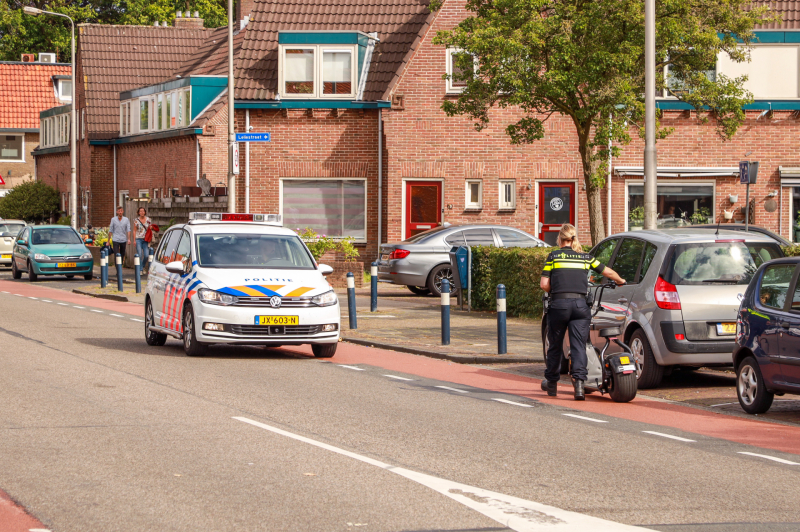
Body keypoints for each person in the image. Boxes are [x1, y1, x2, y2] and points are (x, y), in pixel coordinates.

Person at [540, 224, 625, 400]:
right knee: (578, 345)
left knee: (555, 345)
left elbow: (543, 284)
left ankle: (552, 384)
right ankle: (579, 385)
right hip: (580, 306)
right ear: (573, 239)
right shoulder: (585, 257)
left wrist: (555, 289)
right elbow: (606, 271)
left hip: (559, 305)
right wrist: (620, 280)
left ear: (560, 239)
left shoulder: (554, 256)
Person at [134, 207, 152, 273]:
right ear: (138, 212)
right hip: (138, 239)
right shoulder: (136, 220)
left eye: (143, 211)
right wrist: (134, 240)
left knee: (146, 255)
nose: (142, 212)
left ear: (145, 212)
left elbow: (150, 229)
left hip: (146, 239)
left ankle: (143, 266)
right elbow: (134, 230)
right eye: (140, 211)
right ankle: (141, 269)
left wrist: (151, 227)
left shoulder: (148, 220)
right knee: (139, 254)